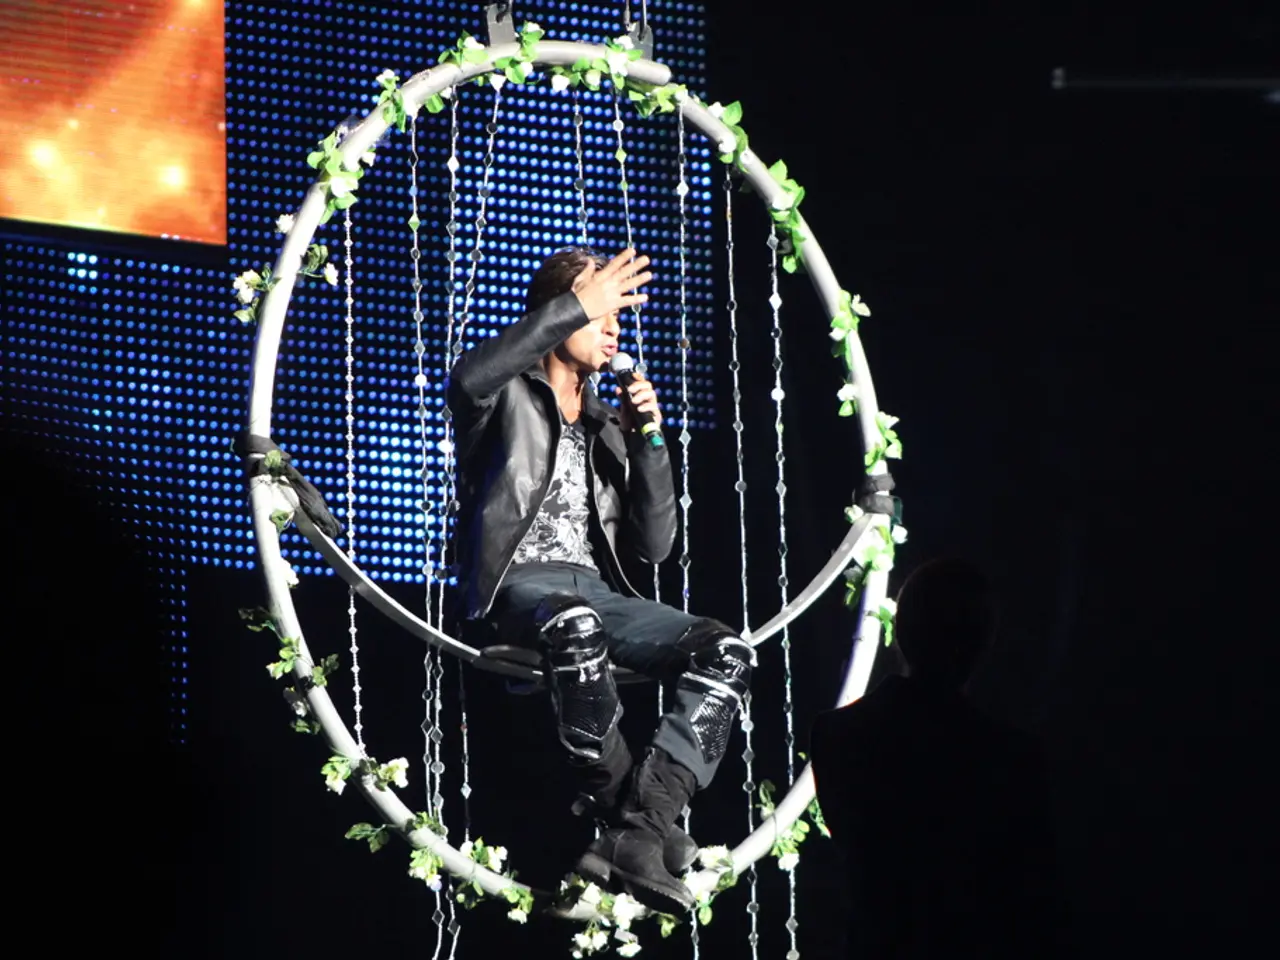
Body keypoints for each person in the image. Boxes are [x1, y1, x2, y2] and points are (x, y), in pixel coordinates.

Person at [447, 246, 755, 914]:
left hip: (599, 592)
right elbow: (467, 377)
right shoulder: (503, 396)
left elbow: (656, 543)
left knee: (728, 650)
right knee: (574, 624)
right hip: (522, 588)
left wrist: (648, 440)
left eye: (616, 314)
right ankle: (640, 829)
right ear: (559, 313)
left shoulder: (604, 425)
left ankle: (639, 829)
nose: (614, 326)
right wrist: (574, 308)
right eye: (600, 311)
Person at [810, 558, 1063, 958]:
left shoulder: (837, 735)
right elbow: (1035, 899)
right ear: (984, 641)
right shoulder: (1011, 757)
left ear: (901, 629)